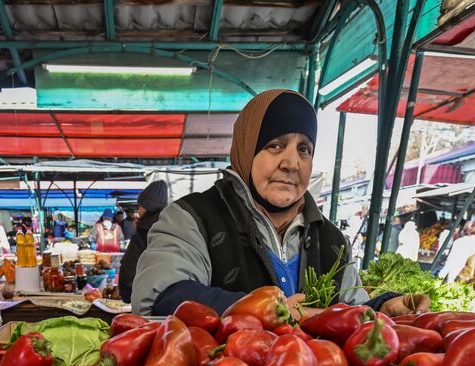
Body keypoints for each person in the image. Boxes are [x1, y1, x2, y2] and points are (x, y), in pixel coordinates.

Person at [133, 88, 426, 319]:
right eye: (275, 145)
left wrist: (382, 307)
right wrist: (265, 310)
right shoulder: (191, 218)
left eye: (304, 149)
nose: (291, 163)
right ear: (247, 149)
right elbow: (162, 298)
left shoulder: (332, 241)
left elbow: (349, 313)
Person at [118, 180, 170, 303]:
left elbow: (130, 267)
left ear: (148, 207)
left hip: (145, 300)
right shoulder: (172, 229)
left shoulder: (144, 231)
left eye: (140, 206)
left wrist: (127, 294)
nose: (138, 211)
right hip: (170, 298)